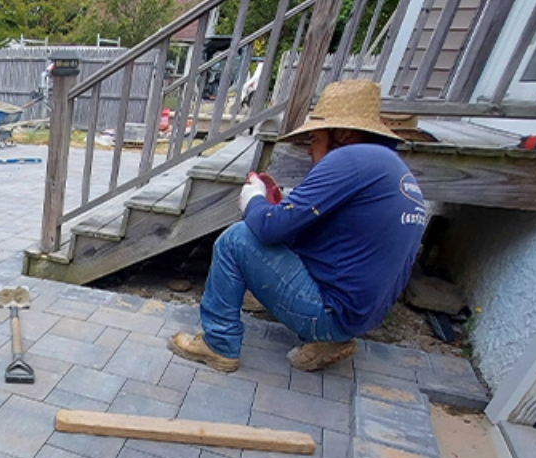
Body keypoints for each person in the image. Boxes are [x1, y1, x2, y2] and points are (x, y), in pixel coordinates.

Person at [169, 79, 428, 373]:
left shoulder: (350, 159)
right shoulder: (388, 166)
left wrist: (253, 200)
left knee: (236, 239)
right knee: (280, 239)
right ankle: (326, 340)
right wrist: (281, 210)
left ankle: (218, 344)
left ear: (342, 134)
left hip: (332, 313)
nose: (309, 150)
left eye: (314, 139)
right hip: (360, 317)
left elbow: (268, 227)